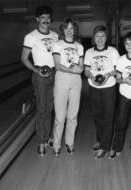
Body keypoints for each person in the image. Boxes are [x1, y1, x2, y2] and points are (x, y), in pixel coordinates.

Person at [21, 5, 58, 156]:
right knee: (42, 109)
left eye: (48, 18)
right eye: (43, 18)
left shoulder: (55, 35)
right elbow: (24, 59)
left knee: (50, 108)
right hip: (40, 76)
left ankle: (48, 137)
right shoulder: (30, 37)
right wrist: (37, 71)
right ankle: (41, 142)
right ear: (37, 19)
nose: (46, 20)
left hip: (54, 74)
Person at [84, 25, 120, 159]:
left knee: (108, 117)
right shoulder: (89, 52)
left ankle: (105, 146)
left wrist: (107, 75)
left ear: (106, 38)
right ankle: (100, 140)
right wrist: (91, 77)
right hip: (94, 87)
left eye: (103, 36)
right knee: (97, 116)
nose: (100, 39)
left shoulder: (112, 51)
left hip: (109, 87)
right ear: (94, 38)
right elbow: (86, 70)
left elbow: (117, 70)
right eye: (97, 36)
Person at [51, 18, 84, 156]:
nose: (69, 31)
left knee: (73, 115)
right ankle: (56, 144)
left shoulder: (80, 46)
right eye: (67, 28)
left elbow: (81, 67)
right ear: (63, 30)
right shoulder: (57, 44)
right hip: (62, 78)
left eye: (72, 28)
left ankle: (70, 143)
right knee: (60, 115)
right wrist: (73, 70)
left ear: (74, 30)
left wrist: (79, 70)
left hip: (76, 80)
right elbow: (57, 65)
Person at [109, 32, 131, 159]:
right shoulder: (121, 60)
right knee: (120, 123)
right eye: (126, 43)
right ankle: (117, 147)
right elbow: (118, 79)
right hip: (124, 96)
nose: (129, 45)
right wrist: (125, 81)